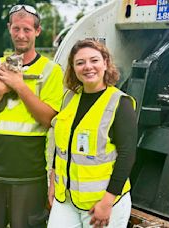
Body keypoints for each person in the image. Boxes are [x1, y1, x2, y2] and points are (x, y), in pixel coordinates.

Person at [0, 4, 64, 228]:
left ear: (37, 31)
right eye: (16, 28)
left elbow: (48, 120)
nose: (21, 35)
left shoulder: (52, 71)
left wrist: (20, 86)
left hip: (28, 172)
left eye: (27, 29)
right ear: (9, 28)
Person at [47, 39, 137, 228]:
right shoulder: (70, 98)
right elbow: (62, 144)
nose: (88, 67)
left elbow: (127, 155)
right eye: (80, 62)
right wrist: (53, 182)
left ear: (105, 63)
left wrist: (107, 202)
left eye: (94, 60)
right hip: (67, 199)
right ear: (73, 68)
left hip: (102, 203)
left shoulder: (120, 103)